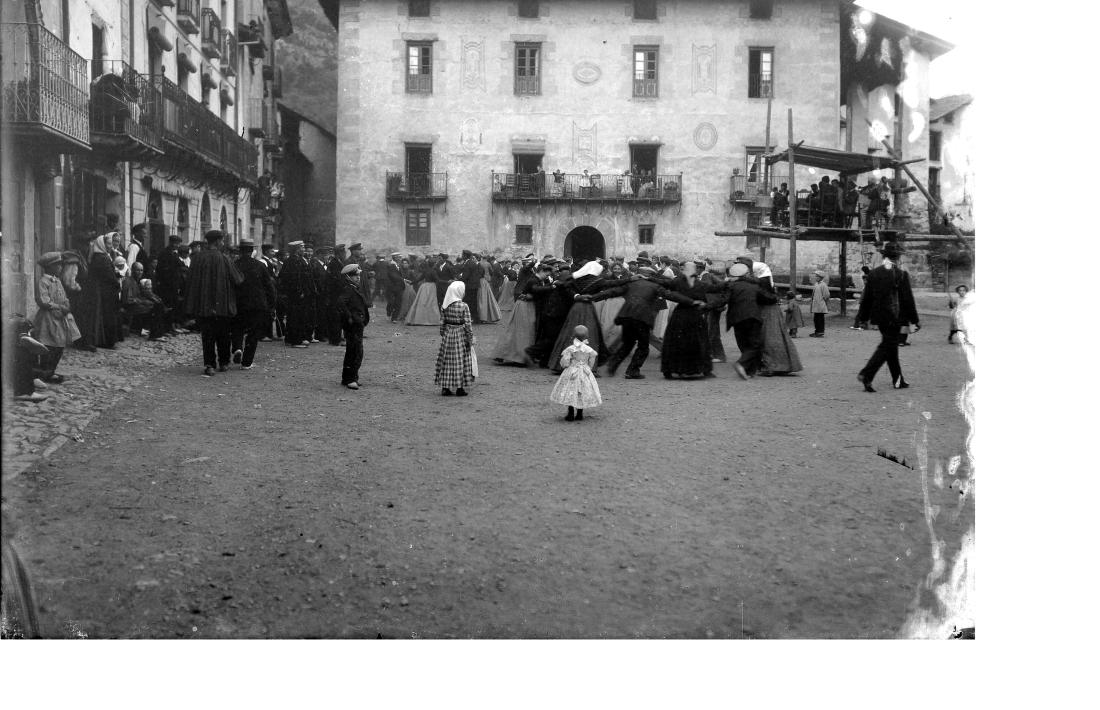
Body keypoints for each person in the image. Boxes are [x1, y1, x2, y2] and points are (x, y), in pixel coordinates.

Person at [582, 265, 697, 379]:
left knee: (627, 344)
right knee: (643, 346)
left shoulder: (630, 284)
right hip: (642, 318)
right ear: (651, 276)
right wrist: (690, 301)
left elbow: (611, 292)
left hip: (626, 316)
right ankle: (633, 370)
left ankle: (613, 365)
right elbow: (671, 296)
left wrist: (592, 297)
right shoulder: (655, 286)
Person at [856, 242, 919, 392]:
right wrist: (914, 320)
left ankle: (898, 380)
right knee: (887, 346)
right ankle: (867, 373)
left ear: (884, 256)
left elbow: (867, 298)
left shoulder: (874, 273)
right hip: (895, 316)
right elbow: (907, 299)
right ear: (897, 258)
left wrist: (863, 318)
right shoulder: (901, 274)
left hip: (880, 316)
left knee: (890, 346)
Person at [184, 230, 243, 376]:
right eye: (222, 241)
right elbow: (238, 279)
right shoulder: (224, 258)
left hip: (203, 305)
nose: (222, 243)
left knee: (207, 336)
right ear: (217, 241)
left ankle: (209, 364)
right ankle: (223, 363)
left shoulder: (197, 258)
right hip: (222, 304)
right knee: (223, 334)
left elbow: (190, 281)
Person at [658, 260, 719, 379]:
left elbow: (664, 284)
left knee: (681, 341)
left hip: (684, 315)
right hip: (691, 314)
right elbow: (715, 288)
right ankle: (701, 369)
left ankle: (672, 369)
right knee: (696, 341)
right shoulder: (695, 283)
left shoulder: (683, 282)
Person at [547, 261, 609, 375]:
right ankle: (587, 366)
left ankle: (562, 364)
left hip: (576, 308)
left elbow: (565, 286)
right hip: (588, 308)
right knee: (589, 334)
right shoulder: (596, 280)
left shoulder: (576, 278)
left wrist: (576, 296)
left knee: (570, 333)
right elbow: (613, 284)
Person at [32, 252, 80, 382]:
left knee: (59, 345)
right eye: (58, 265)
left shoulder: (57, 281)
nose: (60, 268)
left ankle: (51, 370)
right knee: (48, 345)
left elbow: (64, 297)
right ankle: (44, 372)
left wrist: (66, 305)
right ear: (50, 267)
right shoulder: (43, 281)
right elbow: (43, 300)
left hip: (59, 318)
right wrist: (58, 307)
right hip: (48, 319)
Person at [230, 239, 277, 370]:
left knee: (237, 328)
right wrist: (272, 304)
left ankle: (238, 348)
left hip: (239, 303)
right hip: (257, 304)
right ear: (252, 251)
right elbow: (269, 287)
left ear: (240, 251)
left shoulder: (234, 265)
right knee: (253, 333)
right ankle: (246, 362)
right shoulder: (260, 266)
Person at [491, 260, 546, 366]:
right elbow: (526, 269)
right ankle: (512, 355)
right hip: (523, 301)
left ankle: (508, 354)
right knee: (519, 329)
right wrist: (532, 262)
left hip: (529, 302)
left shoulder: (533, 272)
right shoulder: (524, 270)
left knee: (516, 329)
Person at [752, 262, 802, 375]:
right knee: (777, 338)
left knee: (769, 339)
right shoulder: (766, 281)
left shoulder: (762, 283)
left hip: (768, 312)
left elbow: (767, 297)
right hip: (772, 311)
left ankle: (771, 366)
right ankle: (783, 365)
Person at [550, 325, 603, 421]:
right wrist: (588, 367)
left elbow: (565, 361)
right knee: (581, 391)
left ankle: (570, 414)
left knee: (570, 390)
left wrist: (566, 366)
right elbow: (592, 358)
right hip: (584, 371)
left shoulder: (571, 349)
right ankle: (579, 414)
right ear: (587, 336)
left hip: (572, 371)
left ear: (573, 335)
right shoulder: (588, 349)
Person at [725, 263, 766, 380]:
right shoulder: (754, 286)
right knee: (755, 344)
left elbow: (723, 299)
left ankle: (748, 371)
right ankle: (742, 364)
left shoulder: (731, 286)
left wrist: (708, 306)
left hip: (737, 319)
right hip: (753, 317)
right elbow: (767, 297)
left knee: (743, 344)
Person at [435, 281, 474, 396]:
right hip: (460, 334)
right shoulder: (463, 306)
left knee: (446, 360)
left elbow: (442, 322)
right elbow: (468, 324)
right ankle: (459, 388)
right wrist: (470, 337)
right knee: (460, 360)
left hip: (448, 334)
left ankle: (445, 387)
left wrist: (443, 333)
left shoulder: (445, 305)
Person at [336, 263, 369, 389]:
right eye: (355, 276)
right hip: (353, 325)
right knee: (355, 352)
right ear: (348, 277)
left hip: (356, 324)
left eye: (358, 275)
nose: (358, 278)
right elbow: (340, 303)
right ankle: (350, 379)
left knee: (354, 351)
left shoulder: (353, 287)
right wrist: (350, 317)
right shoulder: (348, 289)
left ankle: (349, 378)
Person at [279, 241, 315, 348]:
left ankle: (290, 338)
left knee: (294, 316)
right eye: (302, 247)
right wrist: (300, 292)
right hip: (296, 294)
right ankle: (296, 340)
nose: (304, 249)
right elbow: (295, 279)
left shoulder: (293, 260)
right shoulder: (294, 261)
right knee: (296, 317)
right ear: (297, 249)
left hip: (295, 294)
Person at [459, 250, 482, 323]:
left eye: (462, 255)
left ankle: (472, 317)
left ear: (465, 256)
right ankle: (474, 318)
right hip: (473, 285)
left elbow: (466, 275)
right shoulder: (470, 262)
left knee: (470, 302)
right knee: (472, 302)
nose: (462, 256)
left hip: (470, 286)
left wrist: (458, 279)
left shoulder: (468, 263)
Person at [809, 270, 830, 337]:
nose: (815, 277)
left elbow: (826, 295)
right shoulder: (816, 284)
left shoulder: (823, 285)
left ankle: (820, 332)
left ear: (820, 277)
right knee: (816, 319)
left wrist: (823, 302)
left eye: (817, 276)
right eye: (816, 276)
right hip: (816, 305)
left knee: (820, 319)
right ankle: (817, 331)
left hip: (820, 305)